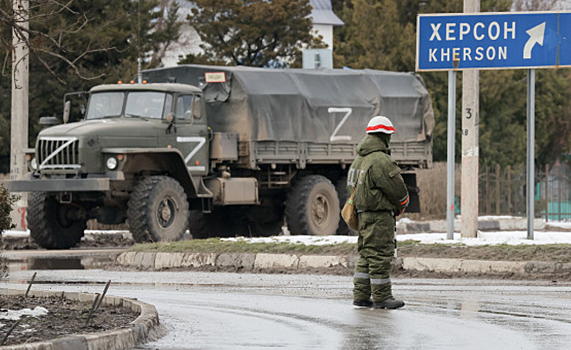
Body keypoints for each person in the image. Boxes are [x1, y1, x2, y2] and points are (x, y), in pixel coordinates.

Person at [347, 116, 409, 309]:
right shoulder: (381, 160)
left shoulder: (359, 160)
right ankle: (382, 297)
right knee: (380, 255)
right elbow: (398, 190)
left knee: (366, 255)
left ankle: (361, 296)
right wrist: (401, 204)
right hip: (379, 217)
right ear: (384, 136)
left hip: (362, 215)